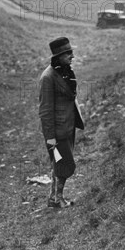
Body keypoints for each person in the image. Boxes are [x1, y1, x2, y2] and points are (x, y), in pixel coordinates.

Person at [39, 37, 85, 208]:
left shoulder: (64, 72)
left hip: (68, 127)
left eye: (71, 52)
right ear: (58, 56)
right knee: (65, 163)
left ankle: (55, 197)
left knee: (59, 163)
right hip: (57, 133)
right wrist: (50, 138)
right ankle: (57, 198)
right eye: (68, 54)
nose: (72, 56)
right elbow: (45, 111)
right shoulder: (48, 77)